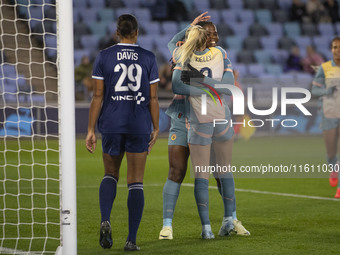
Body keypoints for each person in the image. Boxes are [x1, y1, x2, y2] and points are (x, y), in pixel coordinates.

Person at [159, 14, 249, 240]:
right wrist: (189, 27)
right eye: (210, 33)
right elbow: (172, 44)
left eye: (216, 33)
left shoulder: (220, 55)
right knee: (177, 170)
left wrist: (203, 86)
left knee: (219, 172)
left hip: (209, 117)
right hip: (183, 117)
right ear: (198, 35)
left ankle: (231, 218)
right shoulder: (183, 51)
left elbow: (228, 86)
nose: (215, 37)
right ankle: (167, 226)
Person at [85, 14, 160, 251]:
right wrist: (156, 127)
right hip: (138, 124)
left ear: (117, 33)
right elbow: (154, 98)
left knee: (110, 174)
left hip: (112, 124)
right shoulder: (148, 58)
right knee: (135, 182)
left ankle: (105, 218)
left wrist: (90, 130)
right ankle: (131, 240)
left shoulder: (104, 56)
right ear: (137, 32)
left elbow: (97, 96)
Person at [311, 37, 340, 198]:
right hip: (329, 114)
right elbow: (314, 91)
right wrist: (326, 92)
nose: (338, 50)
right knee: (331, 153)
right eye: (335, 47)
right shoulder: (325, 68)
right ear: (331, 50)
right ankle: (333, 169)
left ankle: (339, 189)